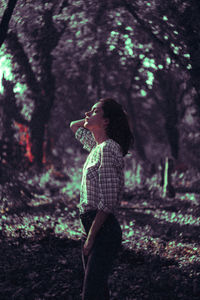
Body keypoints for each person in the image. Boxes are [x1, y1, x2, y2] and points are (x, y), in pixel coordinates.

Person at [70, 98, 133, 300]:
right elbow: (73, 126)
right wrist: (91, 118)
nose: (87, 113)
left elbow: (108, 202)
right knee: (98, 293)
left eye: (94, 111)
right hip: (91, 227)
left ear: (106, 121)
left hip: (103, 231)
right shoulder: (96, 147)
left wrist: (90, 238)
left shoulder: (108, 149)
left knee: (91, 294)